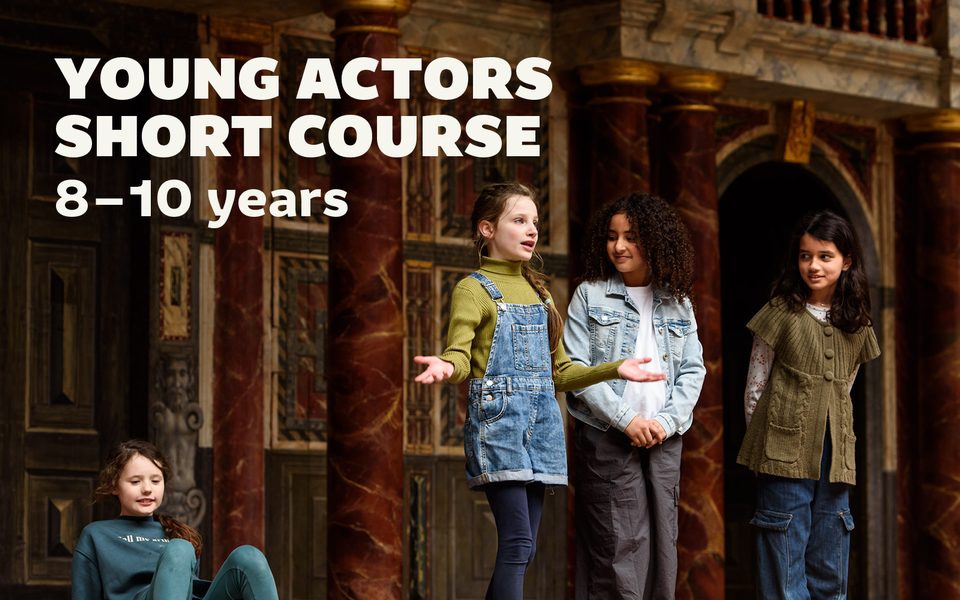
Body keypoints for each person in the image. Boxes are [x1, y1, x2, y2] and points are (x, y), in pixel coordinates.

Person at [413, 182, 666, 600]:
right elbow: (459, 356)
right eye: (519, 221)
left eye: (534, 221)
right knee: (517, 545)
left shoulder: (541, 292)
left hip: (543, 426)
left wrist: (613, 368)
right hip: (500, 425)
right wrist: (446, 365)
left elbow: (560, 372)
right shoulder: (473, 289)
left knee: (524, 550)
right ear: (487, 229)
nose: (531, 230)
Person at [563, 192, 705, 600]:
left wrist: (663, 422)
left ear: (656, 241)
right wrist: (628, 420)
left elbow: (693, 371)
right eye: (612, 236)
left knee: (663, 549)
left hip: (664, 439)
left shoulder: (679, 303)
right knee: (621, 550)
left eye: (631, 237)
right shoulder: (589, 295)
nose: (619, 246)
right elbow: (576, 369)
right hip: (607, 439)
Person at [736, 210, 880, 599]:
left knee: (831, 569)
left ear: (846, 260)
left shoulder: (857, 323)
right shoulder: (781, 312)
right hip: (781, 454)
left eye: (824, 256)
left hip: (836, 461)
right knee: (784, 573)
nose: (813, 265)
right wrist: (768, 452)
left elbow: (844, 388)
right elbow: (755, 387)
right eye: (805, 256)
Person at [71, 439, 279, 600]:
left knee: (249, 557)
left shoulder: (178, 532)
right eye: (135, 481)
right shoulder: (96, 535)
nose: (147, 489)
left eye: (155, 480)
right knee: (180, 549)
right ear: (115, 486)